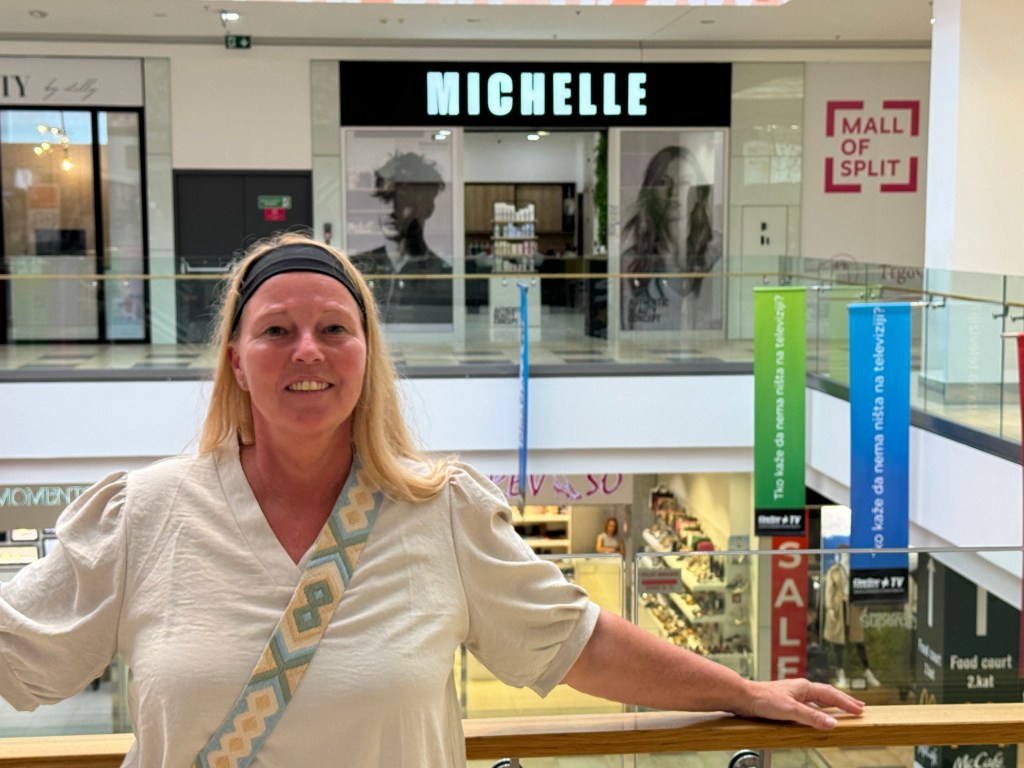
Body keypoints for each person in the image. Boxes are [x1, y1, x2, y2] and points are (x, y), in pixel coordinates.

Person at [0, 233, 862, 767]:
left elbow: (578, 641)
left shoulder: (441, 511)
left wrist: (742, 691)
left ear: (366, 354)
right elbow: (20, 653)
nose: (308, 351)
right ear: (236, 360)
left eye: (335, 329)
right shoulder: (146, 514)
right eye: (276, 330)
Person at [620, 144, 723, 332]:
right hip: (645, 347)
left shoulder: (716, 249)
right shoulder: (633, 258)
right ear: (651, 191)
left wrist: (672, 264)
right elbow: (626, 323)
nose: (674, 191)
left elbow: (704, 311)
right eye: (663, 182)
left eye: (685, 182)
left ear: (699, 193)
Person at [349, 150, 453, 325]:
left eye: (404, 200)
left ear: (427, 208)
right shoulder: (357, 269)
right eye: (385, 200)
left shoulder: (442, 275)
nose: (391, 210)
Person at [823, 549, 882, 688]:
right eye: (843, 554)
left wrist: (864, 606)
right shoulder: (834, 571)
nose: (846, 556)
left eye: (847, 554)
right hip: (839, 607)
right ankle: (841, 673)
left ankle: (867, 671)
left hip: (853, 606)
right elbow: (829, 590)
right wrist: (830, 607)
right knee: (839, 641)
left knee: (858, 640)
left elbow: (863, 588)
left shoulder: (856, 569)